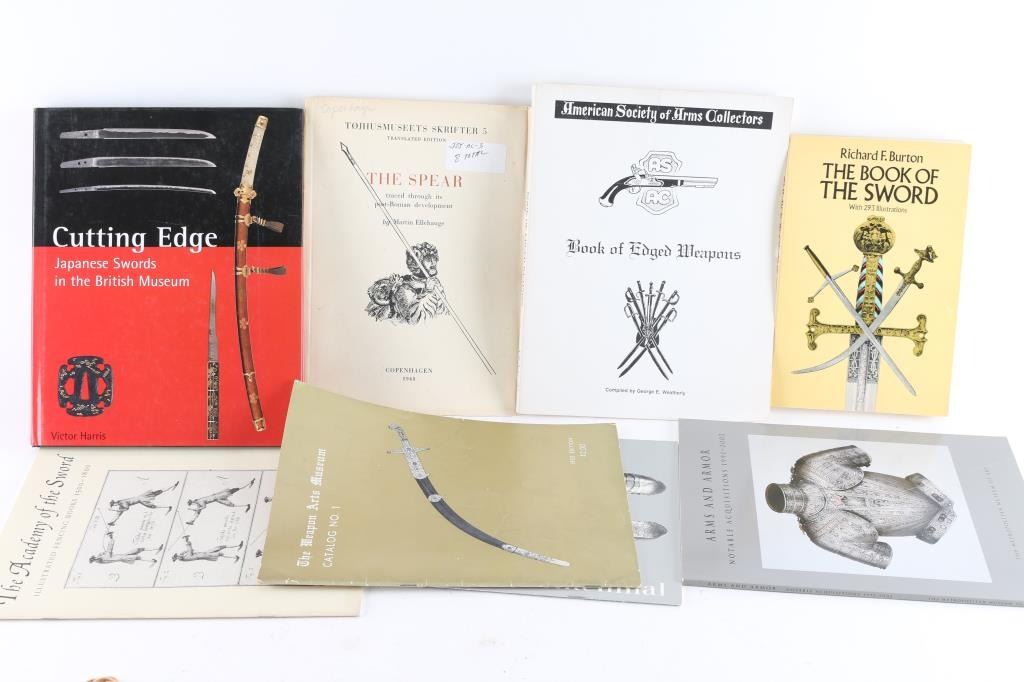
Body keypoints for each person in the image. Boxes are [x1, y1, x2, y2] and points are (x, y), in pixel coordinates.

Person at [184, 478, 255, 525]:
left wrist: (196, 509)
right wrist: (196, 510)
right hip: (217, 498)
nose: (192, 503)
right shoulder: (197, 502)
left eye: (191, 503)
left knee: (232, 492)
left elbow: (204, 507)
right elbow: (198, 510)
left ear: (192, 502)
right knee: (232, 497)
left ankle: (249, 483)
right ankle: (247, 504)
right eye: (191, 503)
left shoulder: (199, 502)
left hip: (218, 497)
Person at [107, 481, 179, 526]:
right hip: (141, 497)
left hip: (141, 499)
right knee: (159, 492)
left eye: (114, 505)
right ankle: (173, 485)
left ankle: (168, 506)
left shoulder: (122, 502)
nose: (114, 506)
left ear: (115, 503)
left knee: (153, 506)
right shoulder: (120, 503)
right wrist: (113, 520)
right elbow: (119, 513)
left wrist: (113, 510)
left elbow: (126, 509)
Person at [88, 531, 163, 565]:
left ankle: (157, 548)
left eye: (94, 558)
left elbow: (108, 551)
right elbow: (109, 550)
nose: (95, 558)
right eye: (94, 559)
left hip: (123, 555)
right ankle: (151, 561)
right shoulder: (101, 560)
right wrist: (111, 537)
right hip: (123, 558)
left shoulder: (100, 557)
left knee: (138, 549)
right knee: (137, 557)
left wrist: (110, 538)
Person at [171, 535, 244, 563]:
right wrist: (187, 540)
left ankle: (238, 545)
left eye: (177, 555)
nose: (178, 555)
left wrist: (186, 546)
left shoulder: (182, 556)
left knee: (219, 547)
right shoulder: (184, 558)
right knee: (219, 553)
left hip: (204, 553)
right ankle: (235, 557)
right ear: (177, 558)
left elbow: (189, 550)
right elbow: (190, 550)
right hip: (205, 555)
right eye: (176, 556)